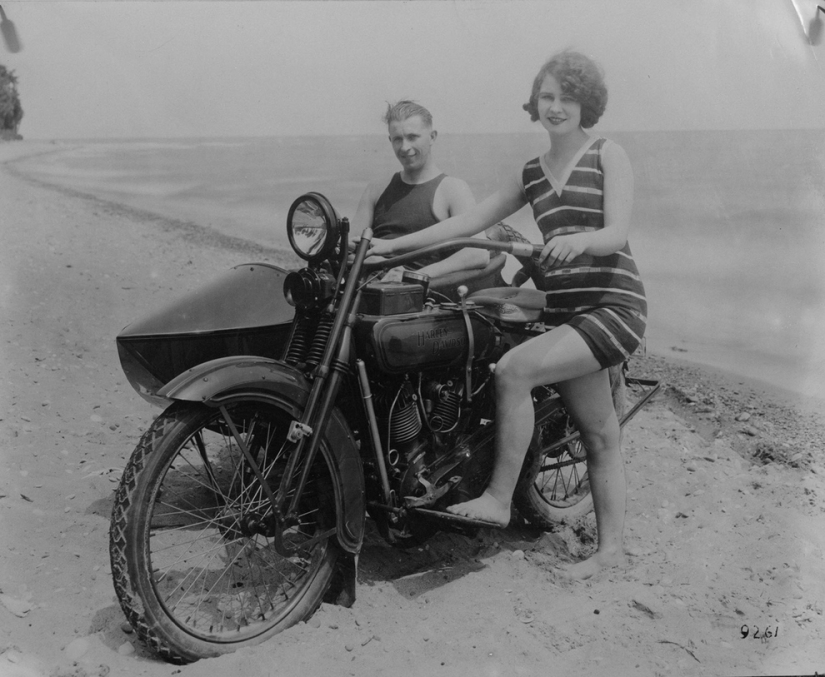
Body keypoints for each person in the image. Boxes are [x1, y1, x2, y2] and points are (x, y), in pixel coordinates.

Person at [369, 51, 647, 580]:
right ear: (534, 103)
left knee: (514, 370)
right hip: (568, 313)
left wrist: (579, 241)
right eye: (547, 97)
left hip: (614, 305)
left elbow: (616, 233)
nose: (556, 107)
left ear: (586, 102)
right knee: (600, 436)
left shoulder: (607, 155)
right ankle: (610, 551)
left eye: (567, 97)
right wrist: (393, 248)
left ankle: (498, 499)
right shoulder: (532, 172)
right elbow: (470, 222)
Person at [354, 100, 489, 279]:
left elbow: (478, 253)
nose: (405, 147)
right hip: (368, 285)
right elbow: (352, 245)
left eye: (412, 137)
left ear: (432, 137)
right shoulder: (376, 189)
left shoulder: (452, 189)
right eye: (398, 139)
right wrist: (373, 261)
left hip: (421, 289)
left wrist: (413, 275)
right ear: (390, 140)